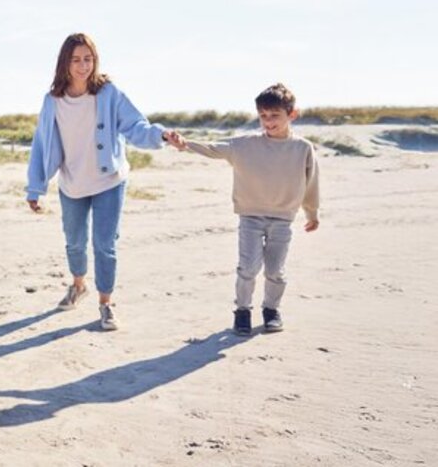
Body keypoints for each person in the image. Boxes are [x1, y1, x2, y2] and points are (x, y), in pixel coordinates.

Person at [25, 32, 183, 331]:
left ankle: (106, 303)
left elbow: (136, 126)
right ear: (65, 64)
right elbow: (42, 145)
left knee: (104, 245)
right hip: (72, 183)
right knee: (74, 242)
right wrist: (36, 187)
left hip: (109, 180)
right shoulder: (53, 101)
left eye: (88, 59)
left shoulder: (109, 93)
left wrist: (160, 134)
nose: (83, 66)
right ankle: (78, 285)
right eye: (76, 60)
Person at [181, 83, 320, 336]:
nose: (268, 122)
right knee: (248, 268)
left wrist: (312, 213)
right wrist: (184, 143)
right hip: (250, 217)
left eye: (274, 116)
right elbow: (213, 149)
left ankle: (271, 310)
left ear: (292, 114)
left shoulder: (302, 148)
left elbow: (311, 183)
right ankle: (242, 311)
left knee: (276, 271)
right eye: (263, 116)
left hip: (282, 219)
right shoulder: (244, 145)